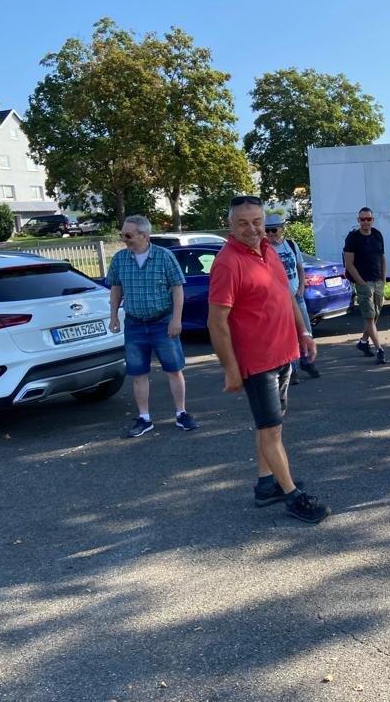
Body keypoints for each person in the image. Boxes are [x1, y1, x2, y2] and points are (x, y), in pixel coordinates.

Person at [207, 196, 328, 523]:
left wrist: (304, 333)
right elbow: (216, 322)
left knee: (270, 425)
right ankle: (292, 495)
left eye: (257, 222)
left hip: (283, 353)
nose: (252, 229)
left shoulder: (269, 250)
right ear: (230, 225)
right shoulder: (227, 263)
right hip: (257, 362)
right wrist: (231, 369)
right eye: (243, 223)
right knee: (271, 429)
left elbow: (286, 295)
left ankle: (266, 484)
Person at [107, 214, 198, 438]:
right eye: (122, 235)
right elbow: (116, 289)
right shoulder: (120, 259)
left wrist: (177, 319)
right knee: (138, 373)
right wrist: (114, 316)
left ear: (144, 235)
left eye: (128, 235)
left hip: (162, 322)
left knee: (174, 370)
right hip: (134, 324)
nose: (124, 239)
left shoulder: (164, 256)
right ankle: (144, 418)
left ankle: (181, 413)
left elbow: (178, 288)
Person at [265, 214, 320, 382]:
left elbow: (300, 268)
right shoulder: (265, 248)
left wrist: (301, 288)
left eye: (274, 230)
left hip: (297, 295)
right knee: (287, 335)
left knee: (305, 331)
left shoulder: (290, 245)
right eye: (267, 231)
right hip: (279, 299)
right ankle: (292, 369)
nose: (270, 234)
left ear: (282, 229)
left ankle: (307, 362)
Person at [343, 207, 387, 364]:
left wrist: (383, 279)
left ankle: (363, 342)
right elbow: (349, 264)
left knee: (376, 314)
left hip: (378, 281)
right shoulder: (353, 238)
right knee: (370, 317)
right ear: (358, 220)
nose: (366, 222)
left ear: (372, 220)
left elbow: (382, 258)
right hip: (364, 283)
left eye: (369, 219)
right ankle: (380, 350)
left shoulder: (377, 235)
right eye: (363, 219)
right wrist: (361, 282)